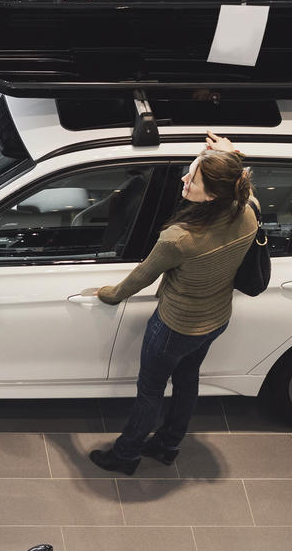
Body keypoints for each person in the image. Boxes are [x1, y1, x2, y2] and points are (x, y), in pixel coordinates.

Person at [85, 134, 259, 475]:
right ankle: (168, 445)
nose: (184, 179)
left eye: (193, 178)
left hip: (175, 326)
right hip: (216, 318)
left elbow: (140, 278)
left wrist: (108, 294)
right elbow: (242, 183)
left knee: (150, 391)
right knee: (187, 378)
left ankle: (126, 454)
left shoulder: (180, 238)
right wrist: (227, 154)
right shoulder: (247, 211)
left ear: (211, 194)